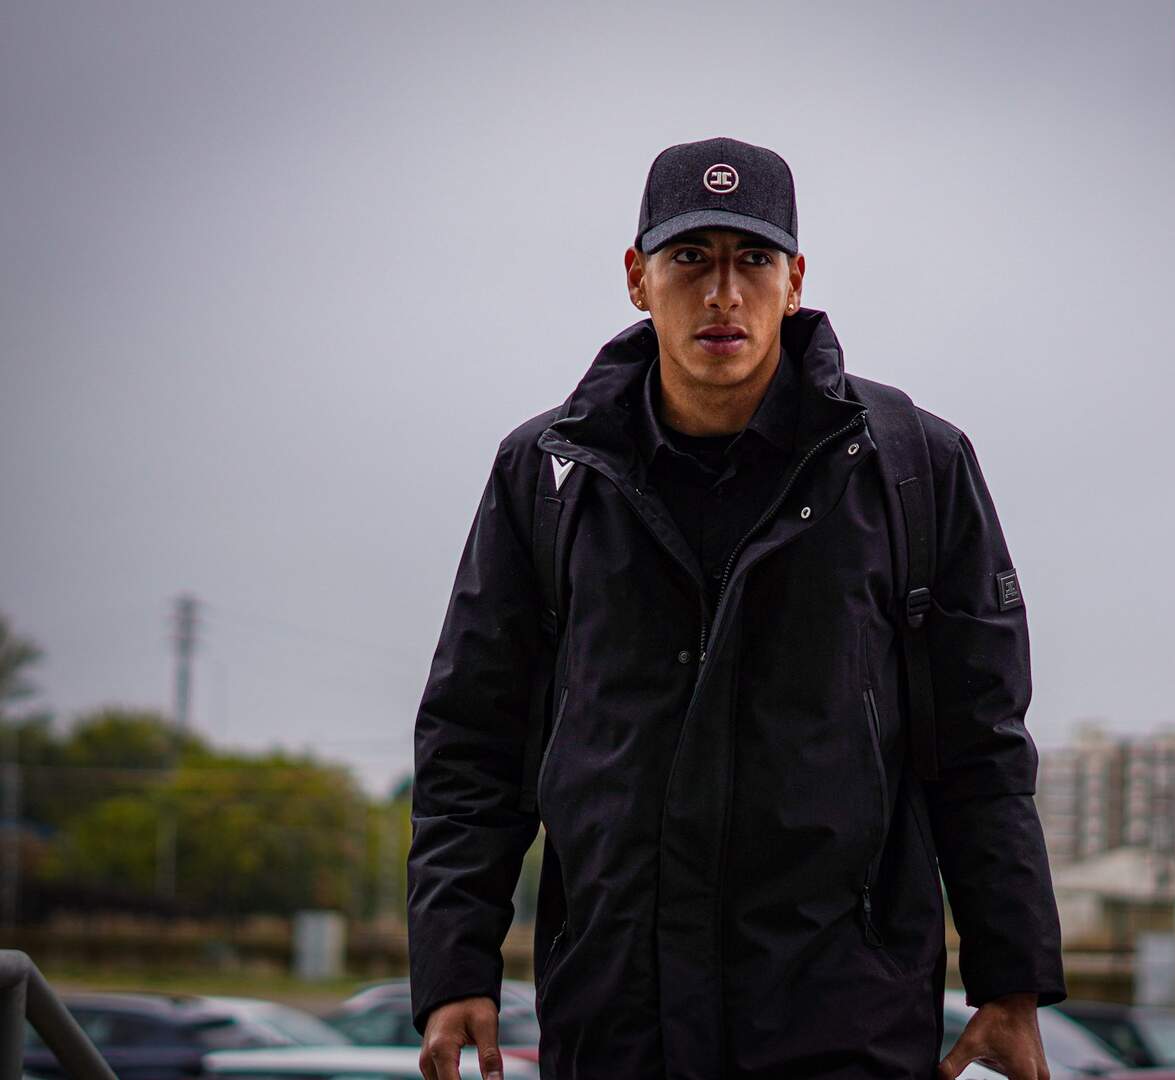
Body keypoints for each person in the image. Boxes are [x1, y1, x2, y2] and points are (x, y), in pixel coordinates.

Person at [408, 136, 1066, 1080]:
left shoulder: (915, 467)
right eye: (691, 260)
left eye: (753, 260)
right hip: (615, 1020)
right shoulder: (546, 478)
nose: (724, 294)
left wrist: (1012, 980)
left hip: (844, 1019)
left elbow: (981, 747)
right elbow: (472, 739)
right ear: (638, 278)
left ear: (795, 279)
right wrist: (453, 966)